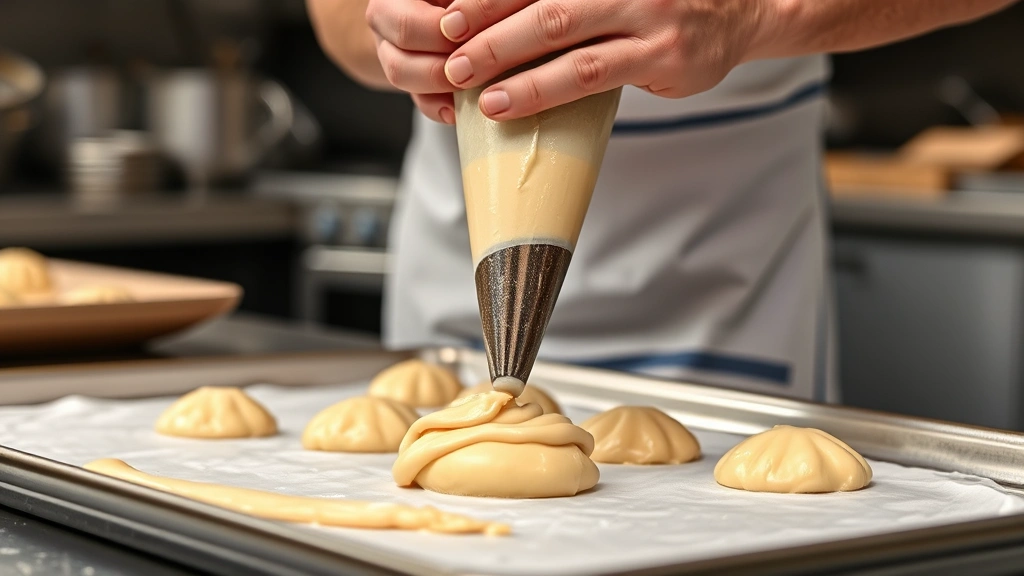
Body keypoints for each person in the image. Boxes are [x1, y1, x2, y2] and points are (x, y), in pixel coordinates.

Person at [308, 0, 1017, 401]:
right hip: (455, 298)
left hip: (727, 305)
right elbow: (338, 13)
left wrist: (754, 14)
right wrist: (395, 33)